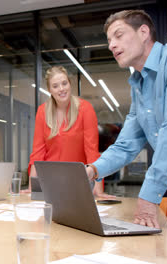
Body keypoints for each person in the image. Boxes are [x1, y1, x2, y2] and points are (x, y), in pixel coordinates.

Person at [86, 10, 167, 228]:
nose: (111, 45)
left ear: (143, 32)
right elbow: (125, 146)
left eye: (118, 36)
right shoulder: (138, 86)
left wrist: (149, 196)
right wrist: (92, 170)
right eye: (109, 40)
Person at [24, 66, 114, 199]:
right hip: (49, 182)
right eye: (55, 86)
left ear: (69, 84)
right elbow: (38, 153)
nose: (61, 89)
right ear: (50, 90)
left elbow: (92, 151)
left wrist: (98, 188)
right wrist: (32, 187)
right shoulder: (42, 111)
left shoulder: (85, 109)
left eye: (64, 83)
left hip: (77, 181)